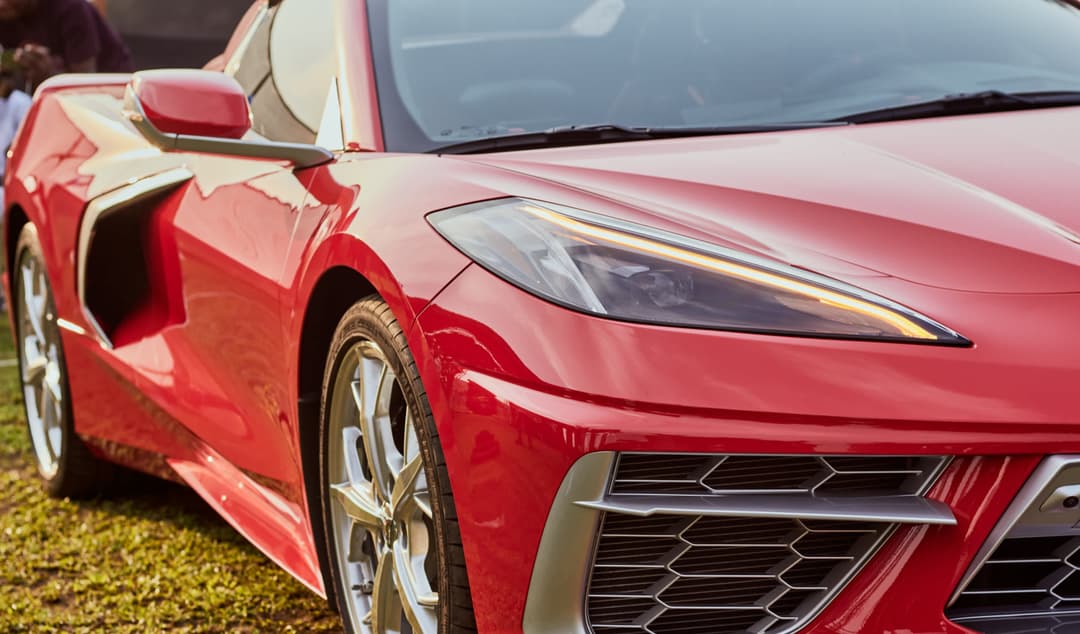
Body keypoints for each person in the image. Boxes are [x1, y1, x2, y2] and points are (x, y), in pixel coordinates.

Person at [0, 0, 133, 90]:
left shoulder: (71, 8)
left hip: (111, 89)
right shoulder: (7, 15)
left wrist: (48, 76)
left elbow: (84, 83)